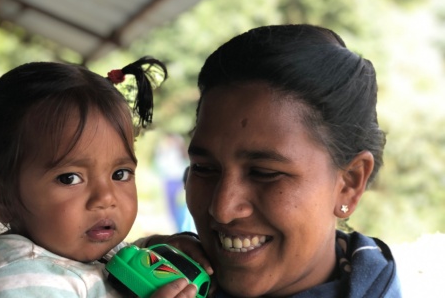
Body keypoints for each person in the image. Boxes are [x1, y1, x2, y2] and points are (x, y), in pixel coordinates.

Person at [0, 57, 201, 297]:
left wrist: (152, 248)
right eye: (70, 178)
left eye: (120, 173)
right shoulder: (22, 286)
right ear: (2, 196)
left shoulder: (78, 253)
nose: (106, 198)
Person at [158, 24, 401, 297]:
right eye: (204, 169)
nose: (222, 208)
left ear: (349, 183)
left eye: (264, 172)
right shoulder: (148, 278)